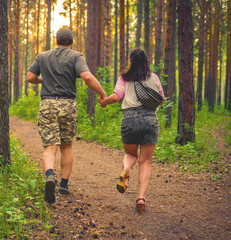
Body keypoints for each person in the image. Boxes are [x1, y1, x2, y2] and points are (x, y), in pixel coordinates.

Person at [27, 27, 107, 204]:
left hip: (47, 104)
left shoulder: (42, 56)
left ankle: (49, 176)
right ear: (71, 42)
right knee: (66, 146)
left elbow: (30, 76)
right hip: (68, 104)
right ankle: (63, 185)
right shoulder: (76, 56)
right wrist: (102, 93)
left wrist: (42, 80)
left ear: (56, 41)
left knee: (50, 146)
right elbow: (86, 76)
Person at [98, 48, 165, 214]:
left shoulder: (124, 78)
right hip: (150, 120)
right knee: (145, 161)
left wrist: (104, 102)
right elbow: (161, 100)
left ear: (131, 61)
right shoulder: (154, 78)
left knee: (131, 155)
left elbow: (116, 96)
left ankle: (126, 170)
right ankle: (140, 198)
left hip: (129, 120)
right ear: (146, 61)